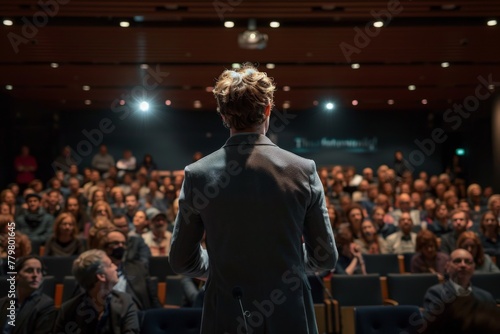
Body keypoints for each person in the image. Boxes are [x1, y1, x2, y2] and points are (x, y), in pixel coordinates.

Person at [169, 63, 337, 334]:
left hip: (225, 311)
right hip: (289, 312)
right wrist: (288, 264)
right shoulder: (303, 170)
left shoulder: (197, 174)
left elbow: (181, 260)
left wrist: (222, 266)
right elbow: (324, 257)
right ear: (268, 110)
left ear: (223, 115)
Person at [53, 249, 140, 333]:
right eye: (110, 265)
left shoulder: (125, 301)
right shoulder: (68, 310)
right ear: (101, 276)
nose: (116, 267)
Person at [422, 249, 497, 334]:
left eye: (468, 262)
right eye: (457, 261)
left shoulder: (486, 297)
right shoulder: (435, 293)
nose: (463, 265)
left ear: (473, 268)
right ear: (447, 266)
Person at [0, 256, 57, 334]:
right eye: (29, 271)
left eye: (39, 271)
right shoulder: (2, 303)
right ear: (15, 276)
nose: (35, 275)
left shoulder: (46, 305)